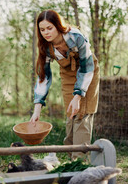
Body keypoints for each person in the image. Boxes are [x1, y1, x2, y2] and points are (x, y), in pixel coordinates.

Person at [30, 10, 100, 160]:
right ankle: (71, 160)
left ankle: (79, 162)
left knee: (82, 113)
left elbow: (87, 68)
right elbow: (43, 77)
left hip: (88, 71)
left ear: (58, 26)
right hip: (68, 73)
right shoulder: (45, 46)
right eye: (42, 30)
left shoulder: (76, 37)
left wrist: (78, 95)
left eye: (50, 28)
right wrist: (37, 110)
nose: (46, 33)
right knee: (71, 113)